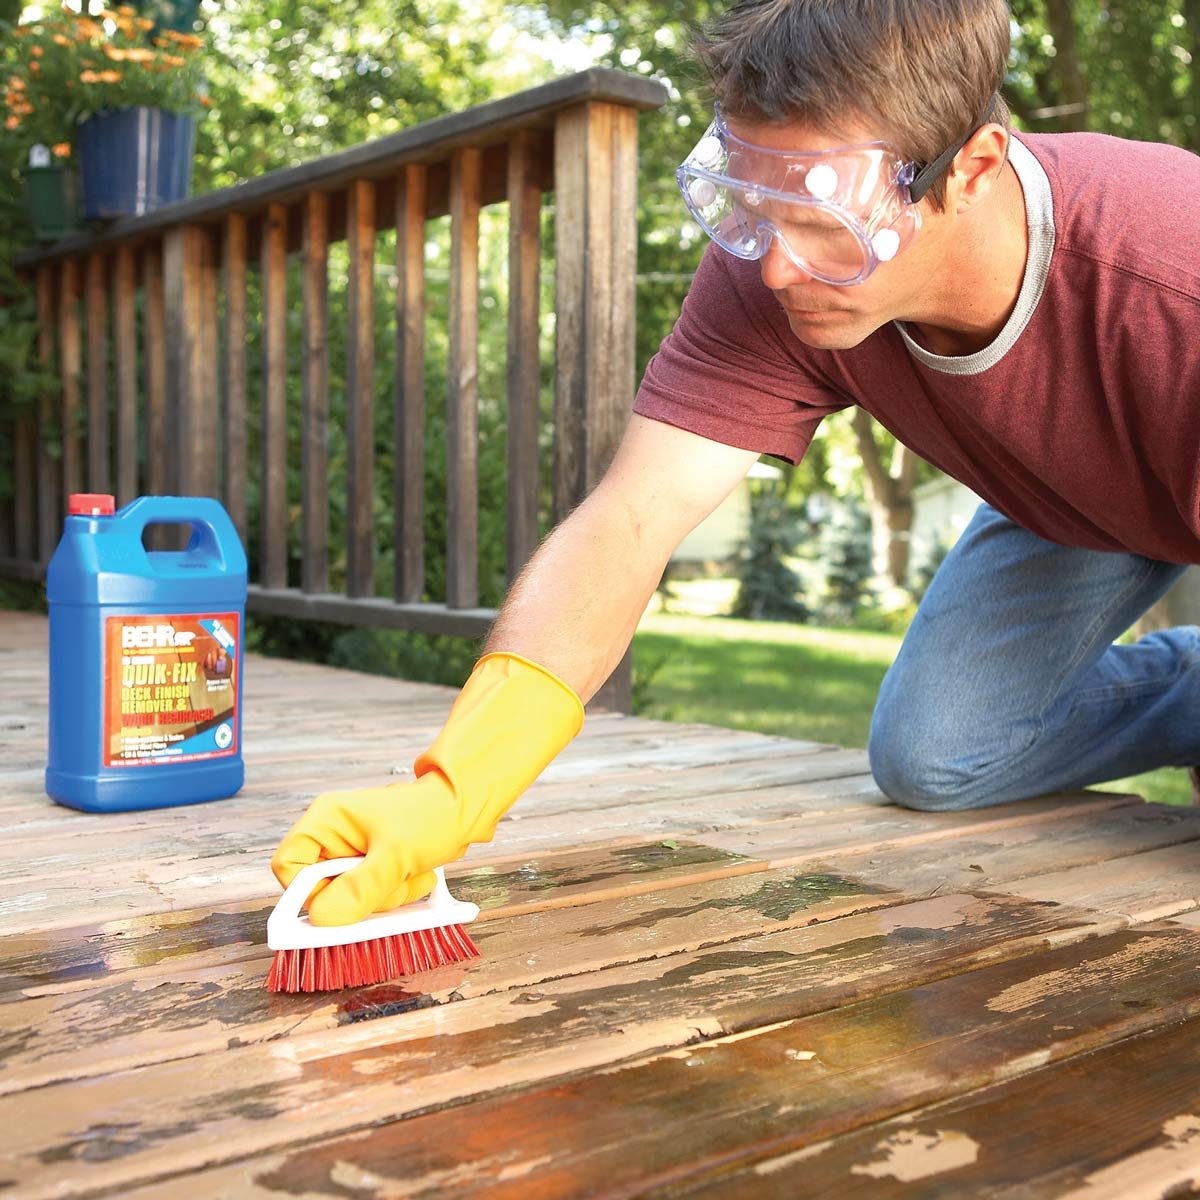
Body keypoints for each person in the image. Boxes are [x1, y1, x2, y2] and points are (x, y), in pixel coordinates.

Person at [272, 0, 1200, 925]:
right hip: (1066, 497)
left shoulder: (1172, 283)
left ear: (972, 169)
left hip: (1173, 430)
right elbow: (631, 519)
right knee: (936, 756)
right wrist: (454, 788)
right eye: (752, 206)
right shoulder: (769, 274)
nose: (775, 269)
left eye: (818, 216)